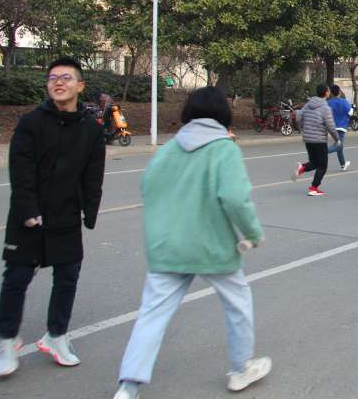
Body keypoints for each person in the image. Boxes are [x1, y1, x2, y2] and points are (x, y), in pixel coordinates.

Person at [112, 87, 270, 399]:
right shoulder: (224, 149)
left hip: (168, 247)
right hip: (213, 247)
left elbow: (148, 188)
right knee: (238, 305)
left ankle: (128, 387)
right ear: (223, 114)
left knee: (152, 314)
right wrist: (253, 234)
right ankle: (240, 369)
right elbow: (235, 198)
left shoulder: (168, 150)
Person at [0, 57, 105, 379]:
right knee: (16, 278)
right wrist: (27, 210)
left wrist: (90, 212)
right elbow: (21, 171)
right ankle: (7, 341)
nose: (58, 82)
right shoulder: (31, 123)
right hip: (29, 217)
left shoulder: (91, 129)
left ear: (80, 85)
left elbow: (93, 174)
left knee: (67, 277)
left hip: (66, 215)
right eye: (53, 78)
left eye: (66, 78)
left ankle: (57, 335)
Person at [292, 84, 339, 197]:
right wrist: (337, 139)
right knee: (323, 166)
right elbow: (330, 126)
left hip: (308, 139)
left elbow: (299, 117)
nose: (329, 92)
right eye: (328, 91)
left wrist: (303, 129)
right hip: (319, 140)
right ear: (326, 93)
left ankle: (301, 168)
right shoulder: (325, 108)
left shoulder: (308, 104)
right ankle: (313, 188)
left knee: (314, 162)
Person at [327, 84, 353, 171]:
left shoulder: (329, 102)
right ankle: (323, 151)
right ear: (339, 92)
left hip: (332, 127)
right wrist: (352, 108)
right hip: (341, 127)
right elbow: (350, 113)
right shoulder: (344, 102)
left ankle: (343, 164)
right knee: (339, 145)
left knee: (339, 145)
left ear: (331, 93)